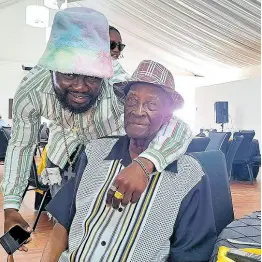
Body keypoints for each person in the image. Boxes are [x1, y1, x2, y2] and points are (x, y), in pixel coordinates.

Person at [2, 7, 192, 253]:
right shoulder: (31, 92)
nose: (81, 87)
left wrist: (146, 163)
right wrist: (11, 207)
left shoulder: (118, 84)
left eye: (92, 77)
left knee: (101, 225)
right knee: (66, 224)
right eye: (69, 74)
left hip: (108, 163)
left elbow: (178, 126)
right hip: (63, 159)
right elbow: (21, 145)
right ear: (52, 69)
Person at [41, 60, 217, 262]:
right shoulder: (94, 152)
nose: (138, 111)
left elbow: (190, 254)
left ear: (168, 116)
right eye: (132, 101)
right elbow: (62, 223)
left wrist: (143, 164)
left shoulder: (188, 174)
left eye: (151, 104)